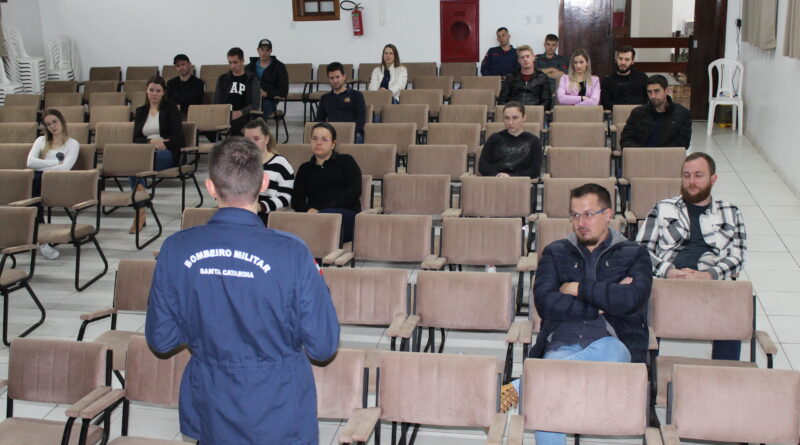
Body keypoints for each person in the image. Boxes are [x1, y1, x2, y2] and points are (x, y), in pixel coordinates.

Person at [145, 136, 340, 445]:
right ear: (263, 183)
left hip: (211, 402)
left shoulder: (176, 248)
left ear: (210, 187)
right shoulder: (292, 253)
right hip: (278, 406)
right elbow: (323, 345)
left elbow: (162, 338)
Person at [510, 183, 652, 444]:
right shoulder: (555, 252)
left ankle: (524, 386)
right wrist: (602, 300)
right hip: (561, 343)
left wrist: (578, 288)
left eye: (588, 214)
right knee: (550, 392)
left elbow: (632, 299)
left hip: (613, 343)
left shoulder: (635, 254)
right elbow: (546, 303)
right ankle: (535, 383)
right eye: (575, 215)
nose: (580, 222)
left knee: (549, 381)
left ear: (608, 214)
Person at [636, 152, 746, 360]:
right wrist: (668, 271)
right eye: (686, 175)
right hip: (668, 284)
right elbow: (641, 251)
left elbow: (737, 256)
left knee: (734, 306)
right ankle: (649, 373)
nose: (691, 181)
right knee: (642, 296)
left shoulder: (731, 212)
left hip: (713, 285)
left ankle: (725, 375)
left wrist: (709, 275)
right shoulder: (663, 208)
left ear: (713, 179)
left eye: (698, 175)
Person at [131, 75, 185, 234]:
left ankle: (140, 208)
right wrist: (151, 142)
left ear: (163, 93)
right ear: (146, 91)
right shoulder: (140, 111)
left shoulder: (171, 108)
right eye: (151, 90)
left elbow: (178, 138)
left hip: (166, 153)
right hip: (146, 151)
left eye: (157, 90)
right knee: (134, 167)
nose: (154, 93)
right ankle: (141, 209)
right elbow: (135, 138)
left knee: (137, 166)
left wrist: (164, 144)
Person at [291, 123, 362, 243]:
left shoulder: (346, 161)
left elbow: (355, 190)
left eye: (324, 139)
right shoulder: (305, 168)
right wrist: (309, 210)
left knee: (316, 230)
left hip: (344, 215)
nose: (318, 142)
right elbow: (296, 200)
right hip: (316, 217)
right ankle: (316, 259)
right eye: (315, 138)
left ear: (333, 144)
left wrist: (328, 208)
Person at [26, 108, 79, 260]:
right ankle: (41, 239)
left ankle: (39, 239)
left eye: (55, 122)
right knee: (31, 182)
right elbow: (30, 162)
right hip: (38, 179)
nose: (52, 126)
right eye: (48, 124)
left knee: (33, 183)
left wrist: (41, 165)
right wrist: (55, 162)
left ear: (61, 121)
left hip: (58, 182)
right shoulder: (40, 141)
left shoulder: (72, 143)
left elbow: (65, 168)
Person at [243, 118, 294, 225]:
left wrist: (261, 206)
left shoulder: (281, 164)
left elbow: (286, 197)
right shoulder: (239, 163)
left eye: (256, 139)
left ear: (266, 139)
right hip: (242, 209)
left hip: (266, 212)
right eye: (247, 140)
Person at [620, 74, 692, 149]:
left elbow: (683, 143)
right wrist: (640, 153)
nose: (653, 96)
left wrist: (657, 154)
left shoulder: (682, 114)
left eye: (656, 91)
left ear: (667, 91)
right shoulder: (638, 113)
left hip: (667, 158)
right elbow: (626, 139)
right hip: (641, 157)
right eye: (649, 92)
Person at [478, 102, 543, 178]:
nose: (510, 122)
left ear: (524, 117)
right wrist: (498, 175)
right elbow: (483, 166)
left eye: (515, 118)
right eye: (507, 118)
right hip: (495, 180)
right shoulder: (494, 138)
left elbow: (534, 170)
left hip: (520, 183)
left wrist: (511, 176)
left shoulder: (534, 141)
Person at [213, 47, 260, 137]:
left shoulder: (251, 78)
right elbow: (217, 101)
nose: (232, 66)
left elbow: (255, 104)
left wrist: (240, 112)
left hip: (244, 115)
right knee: (204, 125)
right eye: (230, 62)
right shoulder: (222, 79)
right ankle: (221, 145)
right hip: (225, 114)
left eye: (235, 62)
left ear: (242, 61)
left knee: (236, 124)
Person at [316, 62, 367, 143]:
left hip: (352, 134)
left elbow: (361, 120)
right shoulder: (324, 98)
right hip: (331, 134)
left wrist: (349, 132)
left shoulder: (357, 95)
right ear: (328, 79)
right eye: (331, 78)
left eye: (337, 77)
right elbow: (319, 120)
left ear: (344, 76)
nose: (335, 81)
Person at [245, 38, 289, 119]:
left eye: (267, 50)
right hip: (251, 99)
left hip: (269, 99)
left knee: (262, 108)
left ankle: (258, 129)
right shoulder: (249, 67)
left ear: (270, 51)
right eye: (262, 50)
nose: (264, 53)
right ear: (258, 50)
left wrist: (267, 94)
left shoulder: (279, 67)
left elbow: (284, 90)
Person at [497, 45, 551, 109]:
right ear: (518, 60)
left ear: (533, 57)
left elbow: (546, 101)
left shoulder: (542, 78)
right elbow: (502, 101)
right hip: (514, 114)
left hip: (534, 113)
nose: (525, 59)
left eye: (527, 56)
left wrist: (536, 112)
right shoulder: (510, 78)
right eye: (522, 57)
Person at [600, 45, 648, 110]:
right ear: (616, 59)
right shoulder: (608, 80)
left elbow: (647, 100)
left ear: (632, 61)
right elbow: (605, 103)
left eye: (627, 59)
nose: (623, 62)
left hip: (639, 116)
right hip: (616, 116)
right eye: (620, 58)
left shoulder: (642, 78)